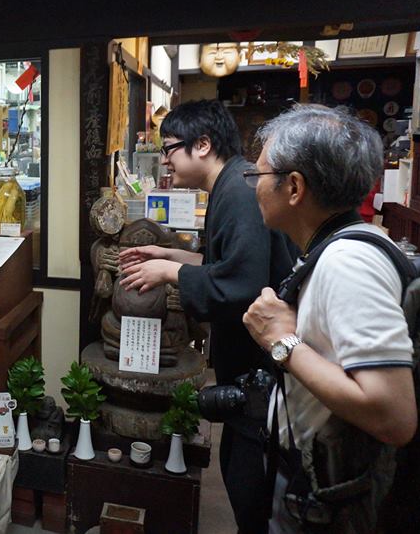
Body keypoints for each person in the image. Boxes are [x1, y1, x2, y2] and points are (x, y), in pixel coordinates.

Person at [118, 99, 297, 533]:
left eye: (169, 148)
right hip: (249, 373)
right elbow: (224, 265)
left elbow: (244, 284)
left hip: (262, 374)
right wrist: (169, 254)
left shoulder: (239, 190)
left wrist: (171, 273)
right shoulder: (229, 185)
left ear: (202, 145)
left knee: (252, 490)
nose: (164, 160)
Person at [242, 105, 416, 532]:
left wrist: (281, 341)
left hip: (332, 497)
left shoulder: (346, 262)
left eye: (258, 175)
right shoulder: (343, 245)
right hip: (320, 479)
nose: (254, 187)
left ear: (294, 187)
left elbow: (393, 416)